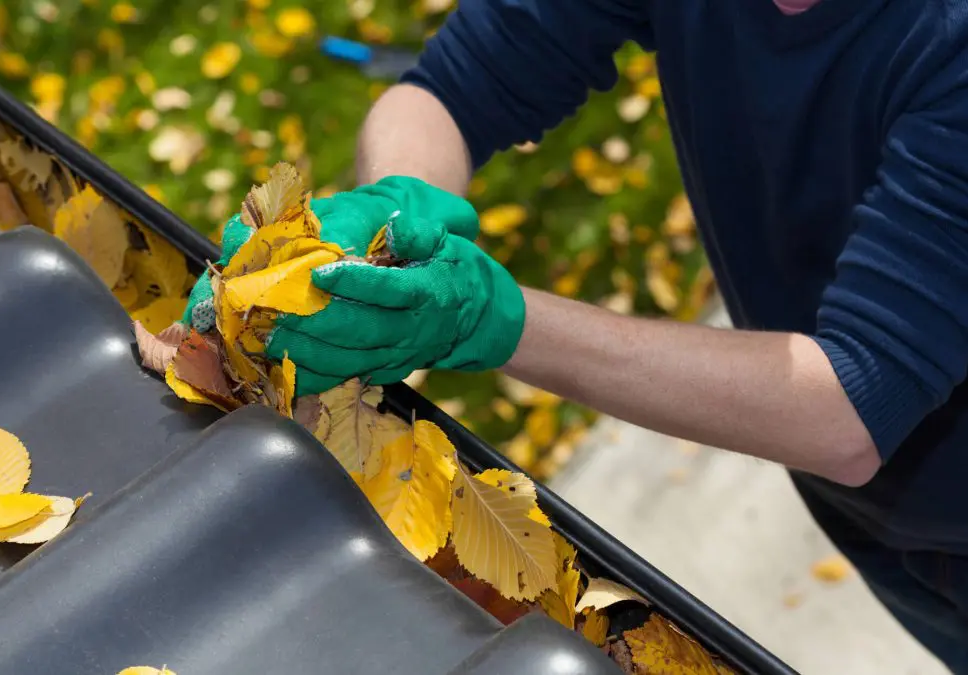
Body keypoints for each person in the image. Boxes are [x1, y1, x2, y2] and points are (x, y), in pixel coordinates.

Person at [185, 0, 968, 669]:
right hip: (886, 518)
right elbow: (452, 91)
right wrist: (398, 207)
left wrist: (490, 316)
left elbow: (849, 403)